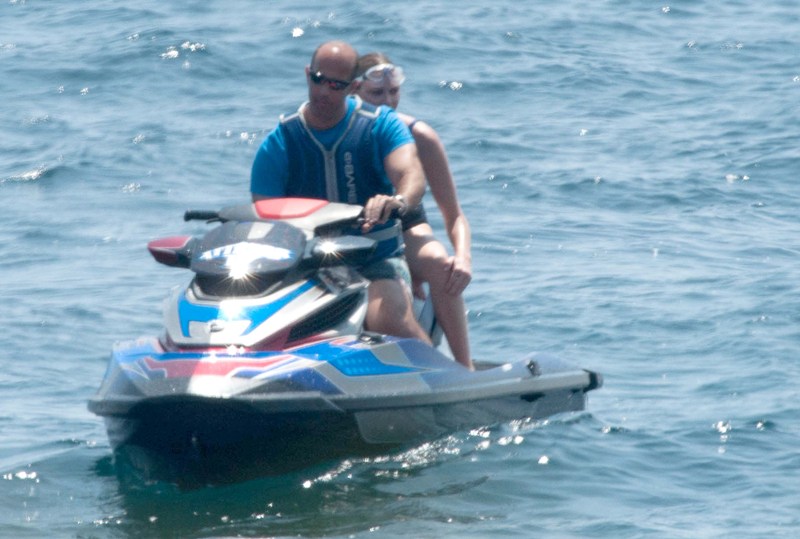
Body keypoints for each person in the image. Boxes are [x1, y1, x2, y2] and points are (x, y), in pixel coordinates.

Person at [250, 41, 433, 345]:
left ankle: (434, 369)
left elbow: (411, 174)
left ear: (353, 87)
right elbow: (262, 211)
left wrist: (396, 200)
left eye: (335, 85)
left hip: (375, 260)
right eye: (318, 80)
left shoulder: (381, 125)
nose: (324, 91)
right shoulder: (282, 140)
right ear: (308, 74)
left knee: (386, 317)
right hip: (305, 266)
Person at [353, 52, 474, 370]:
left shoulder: (420, 136)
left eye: (393, 92)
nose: (387, 101)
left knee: (440, 263)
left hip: (404, 228)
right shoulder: (339, 132)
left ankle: (465, 369)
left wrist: (463, 258)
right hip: (354, 230)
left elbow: (455, 216)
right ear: (354, 92)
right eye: (376, 93)